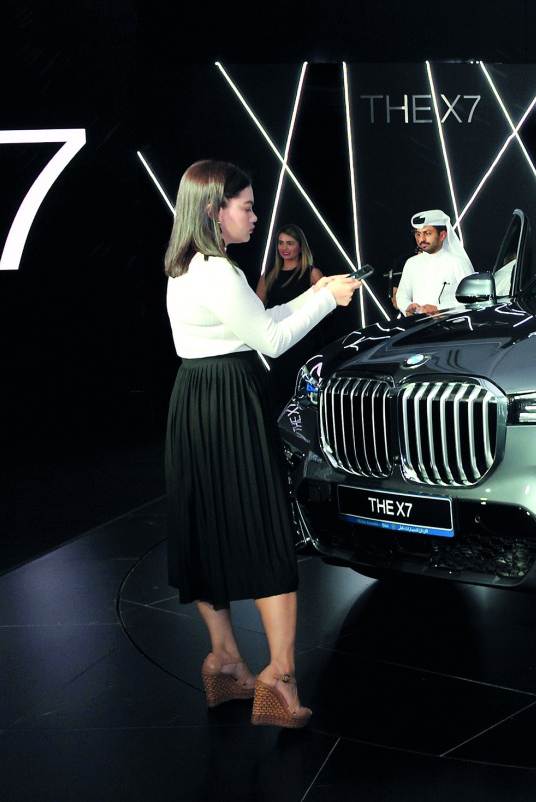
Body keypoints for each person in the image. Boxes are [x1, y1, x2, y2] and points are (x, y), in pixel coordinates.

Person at [163, 160, 360, 729]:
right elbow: (271, 339)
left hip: (194, 400)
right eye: (246, 207)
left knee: (207, 532)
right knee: (265, 531)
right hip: (230, 401)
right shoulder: (219, 270)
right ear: (213, 210)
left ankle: (225, 661)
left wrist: (316, 291)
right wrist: (327, 301)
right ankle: (280, 676)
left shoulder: (186, 265)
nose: (255, 218)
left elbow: (256, 319)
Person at [254, 224, 327, 416]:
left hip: (307, 343)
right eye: (280, 243)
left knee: (308, 394)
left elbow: (326, 308)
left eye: (290, 243)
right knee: (280, 392)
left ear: (300, 246)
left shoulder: (312, 273)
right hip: (280, 342)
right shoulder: (269, 275)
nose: (284, 248)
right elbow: (256, 309)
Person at [394, 209, 474, 316]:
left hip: (452, 324)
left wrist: (438, 309)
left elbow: (471, 299)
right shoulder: (411, 263)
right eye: (418, 234)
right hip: (419, 324)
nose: (421, 239)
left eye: (427, 233)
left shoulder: (457, 263)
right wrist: (408, 306)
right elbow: (401, 295)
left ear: (442, 235)